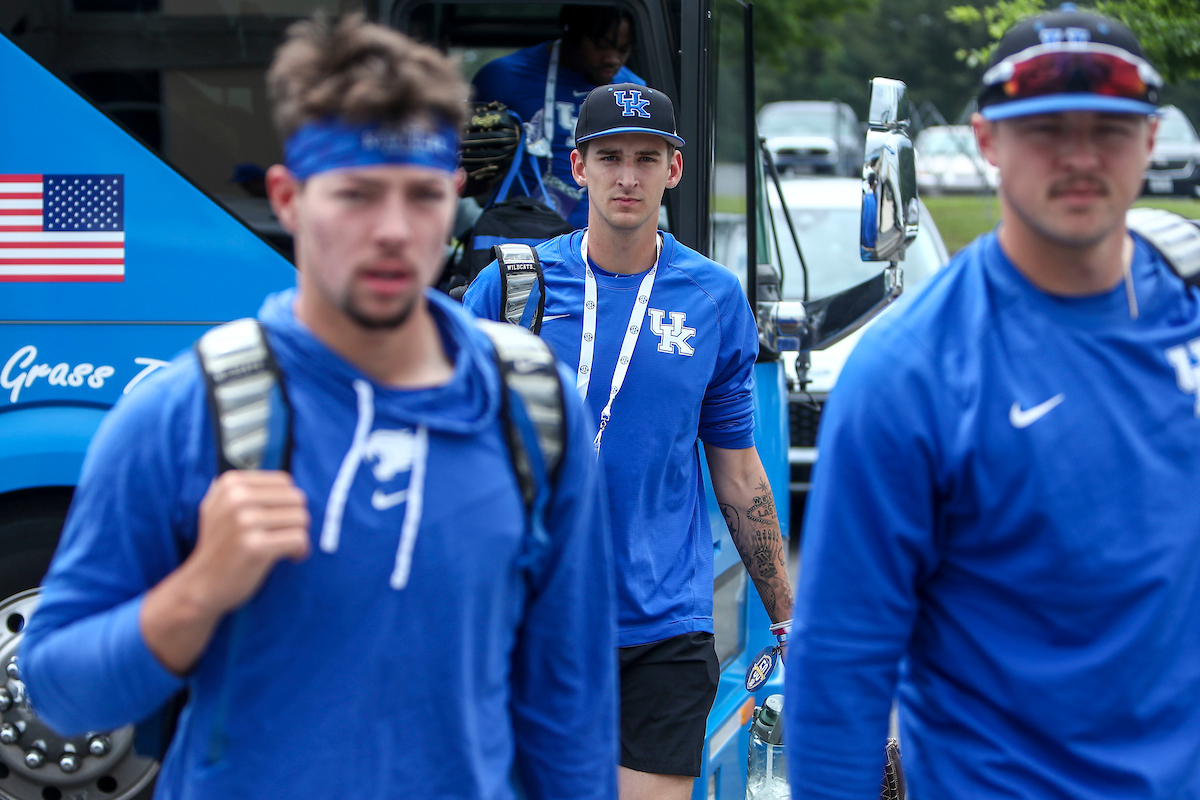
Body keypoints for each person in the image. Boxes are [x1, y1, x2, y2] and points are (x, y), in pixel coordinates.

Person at [20, 14, 617, 800]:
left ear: (456, 196)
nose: (394, 232)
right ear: (288, 198)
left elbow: (568, 713)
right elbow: (61, 694)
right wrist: (198, 588)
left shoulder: (532, 411)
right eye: (357, 196)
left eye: (421, 195)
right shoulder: (184, 412)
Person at [786, 6, 1200, 798]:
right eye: (1045, 127)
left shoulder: (1187, 308)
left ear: (1151, 139)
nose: (1080, 156)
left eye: (1109, 128)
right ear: (987, 141)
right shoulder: (910, 374)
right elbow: (841, 666)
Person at [463, 84, 794, 800]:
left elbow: (738, 473)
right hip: (530, 614)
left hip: (661, 626)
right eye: (609, 157)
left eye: (647, 158)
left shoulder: (712, 299)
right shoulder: (510, 291)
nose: (627, 176)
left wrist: (788, 616)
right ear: (578, 167)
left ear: (674, 169)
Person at [471, 4, 643, 228]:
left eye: (623, 49)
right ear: (571, 32)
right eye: (601, 45)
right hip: (525, 239)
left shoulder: (633, 91)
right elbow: (465, 173)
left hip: (606, 240)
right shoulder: (502, 77)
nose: (612, 59)